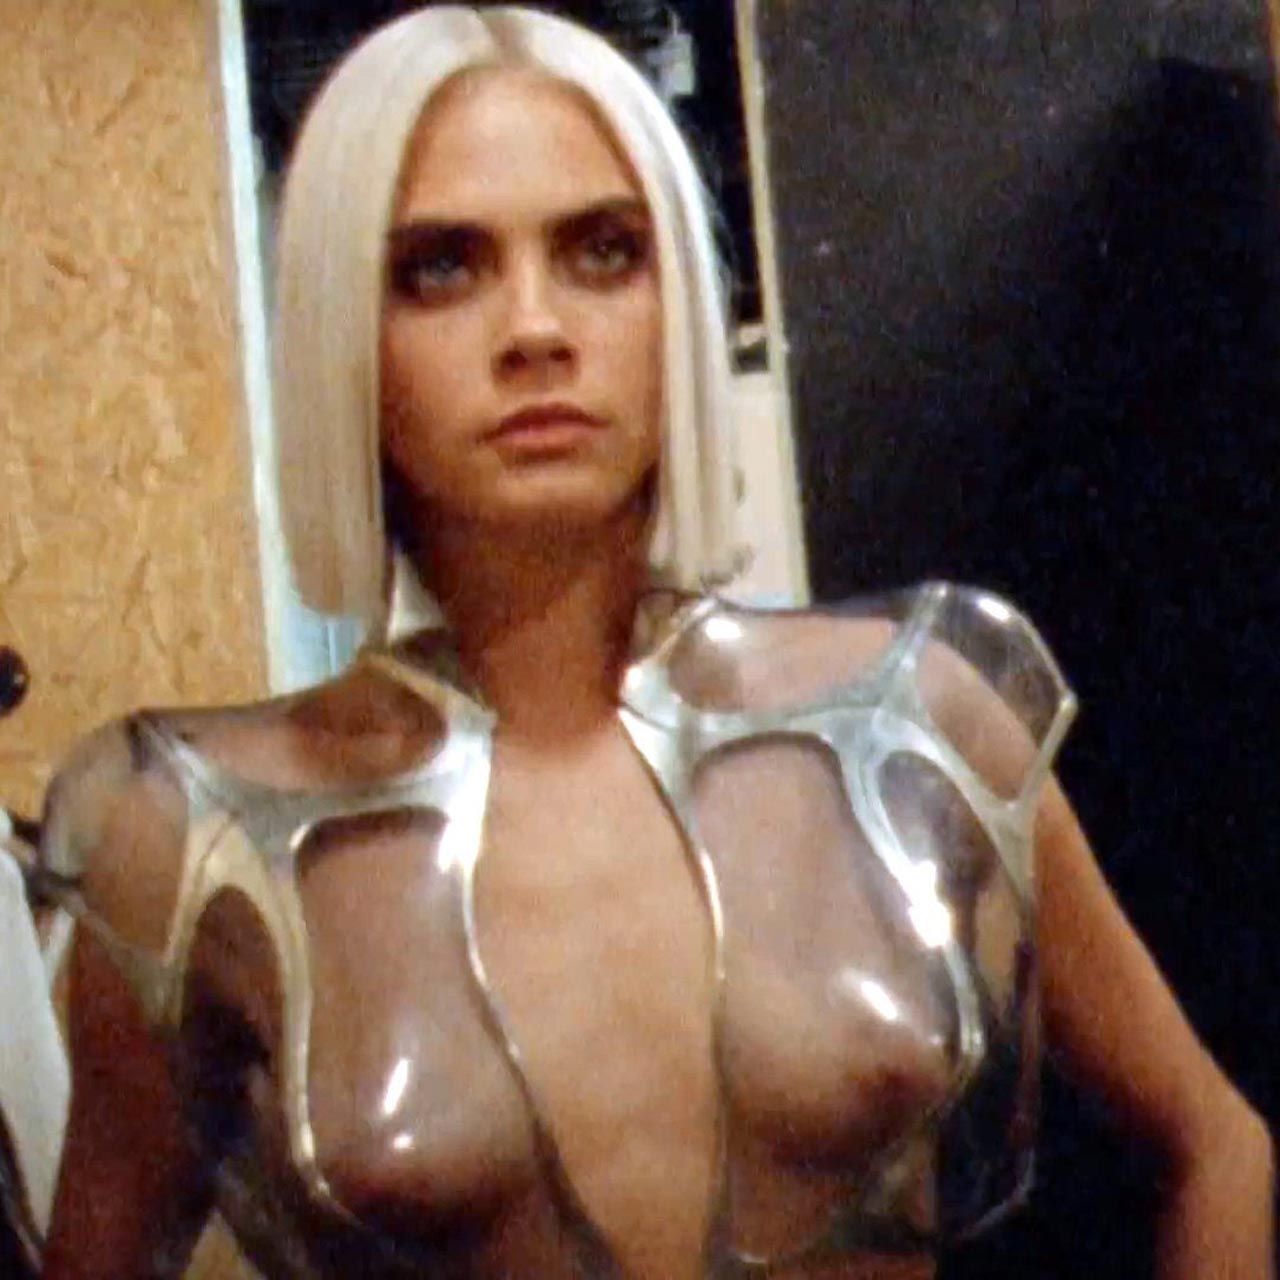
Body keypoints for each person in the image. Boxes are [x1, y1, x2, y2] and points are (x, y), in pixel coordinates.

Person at [30, 7, 1272, 1279]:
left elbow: (1213, 1139)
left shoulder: (921, 718)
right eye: (440, 268)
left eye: (602, 251)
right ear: (344, 331)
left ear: (677, 297)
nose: (534, 328)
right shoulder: (188, 838)